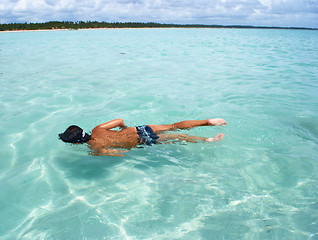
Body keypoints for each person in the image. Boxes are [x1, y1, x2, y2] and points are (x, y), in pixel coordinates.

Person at [59, 118, 227, 156]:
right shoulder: (97, 128)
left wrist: (127, 148)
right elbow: (119, 120)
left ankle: (208, 140)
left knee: (179, 137)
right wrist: (124, 129)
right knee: (173, 126)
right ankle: (207, 122)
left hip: (141, 141)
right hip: (138, 129)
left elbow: (119, 153)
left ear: (78, 142)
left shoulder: (94, 149)